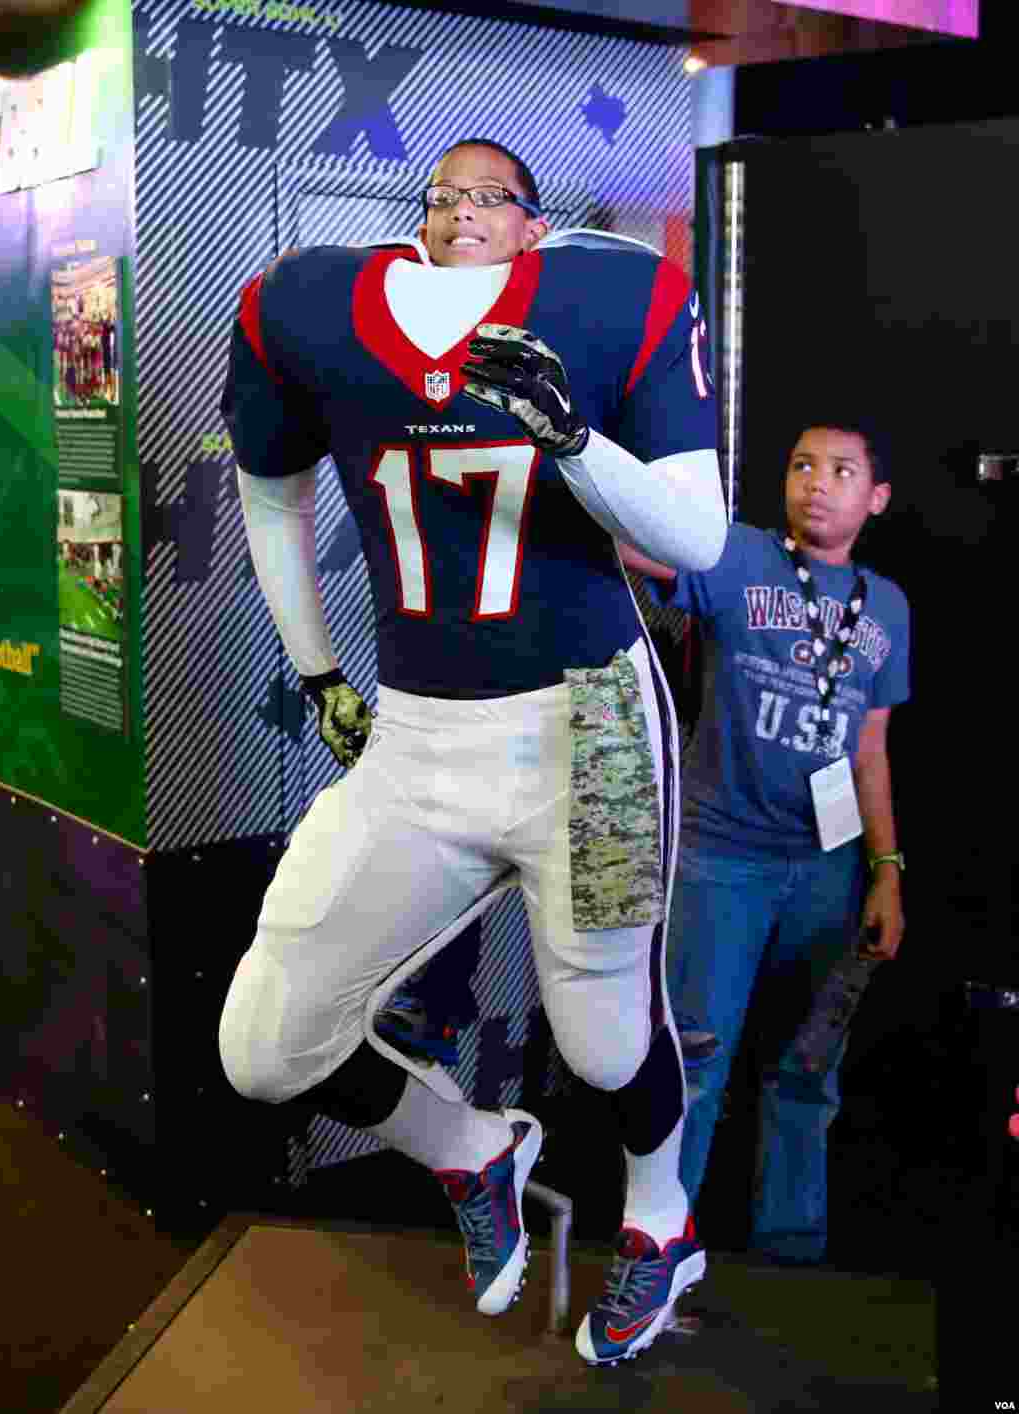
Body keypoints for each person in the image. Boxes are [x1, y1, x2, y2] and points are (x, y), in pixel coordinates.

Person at [217, 137, 727, 1364]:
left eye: (492, 198)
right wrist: (316, 664)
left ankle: (662, 1222)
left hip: (595, 717)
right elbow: (269, 486)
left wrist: (573, 438)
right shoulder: (307, 308)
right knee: (265, 1045)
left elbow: (698, 538)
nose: (463, 214)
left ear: (535, 224)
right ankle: (472, 1146)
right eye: (442, 196)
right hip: (419, 729)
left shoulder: (613, 297)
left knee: (607, 1038)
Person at [628, 421, 909, 1265]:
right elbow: (642, 552)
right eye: (801, 465)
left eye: (841, 470)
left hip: (827, 869)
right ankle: (659, 1245)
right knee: (696, 1063)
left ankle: (792, 1257)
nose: (817, 482)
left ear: (877, 497)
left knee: (806, 1073)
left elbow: (871, 745)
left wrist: (886, 871)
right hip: (722, 859)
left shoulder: (886, 606)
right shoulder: (737, 557)